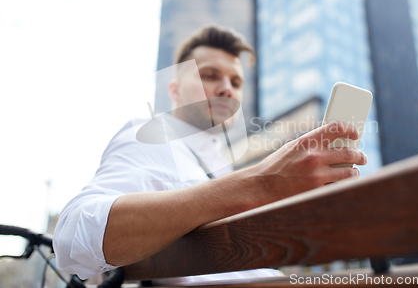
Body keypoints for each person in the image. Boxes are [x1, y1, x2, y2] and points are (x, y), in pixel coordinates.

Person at [53, 25, 367, 281]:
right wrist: (263, 183)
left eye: (235, 81)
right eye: (210, 75)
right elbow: (72, 239)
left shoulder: (218, 167)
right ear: (174, 90)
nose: (227, 88)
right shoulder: (152, 136)